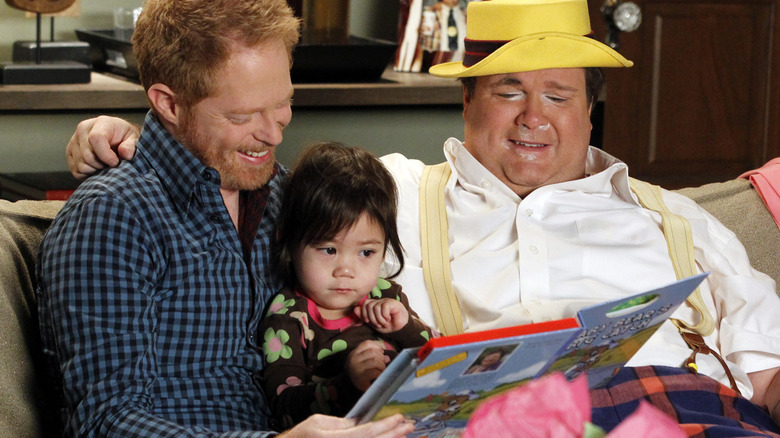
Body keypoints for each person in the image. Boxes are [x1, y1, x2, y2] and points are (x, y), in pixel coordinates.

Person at [63, 0, 780, 434]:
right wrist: (116, 137)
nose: (535, 119)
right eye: (508, 91)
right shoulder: (389, 194)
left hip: (686, 414)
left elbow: (770, 370)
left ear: (590, 106)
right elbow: (228, 164)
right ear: (465, 101)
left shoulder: (680, 220)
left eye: (559, 95)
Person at [35, 0, 412, 437]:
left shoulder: (286, 195)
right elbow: (105, 422)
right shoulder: (114, 216)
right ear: (169, 105)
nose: (274, 133)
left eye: (283, 104)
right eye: (243, 115)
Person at [261, 142, 435, 429]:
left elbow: (437, 357)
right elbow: (284, 407)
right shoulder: (289, 317)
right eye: (328, 249)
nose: (346, 270)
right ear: (290, 242)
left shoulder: (385, 294)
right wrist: (346, 384)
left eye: (366, 253)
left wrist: (405, 327)